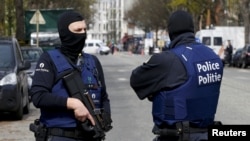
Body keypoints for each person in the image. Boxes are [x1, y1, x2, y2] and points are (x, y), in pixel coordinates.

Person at [130, 10, 224, 141]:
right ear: (192, 29)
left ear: (170, 32)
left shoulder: (167, 60)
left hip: (176, 136)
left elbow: (136, 80)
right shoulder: (214, 57)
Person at [30, 11, 112, 141]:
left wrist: (105, 117)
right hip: (59, 135)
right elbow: (38, 96)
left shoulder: (93, 62)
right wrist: (73, 104)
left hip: (91, 135)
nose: (82, 34)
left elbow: (103, 96)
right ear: (65, 32)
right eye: (78, 30)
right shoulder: (48, 59)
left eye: (84, 29)